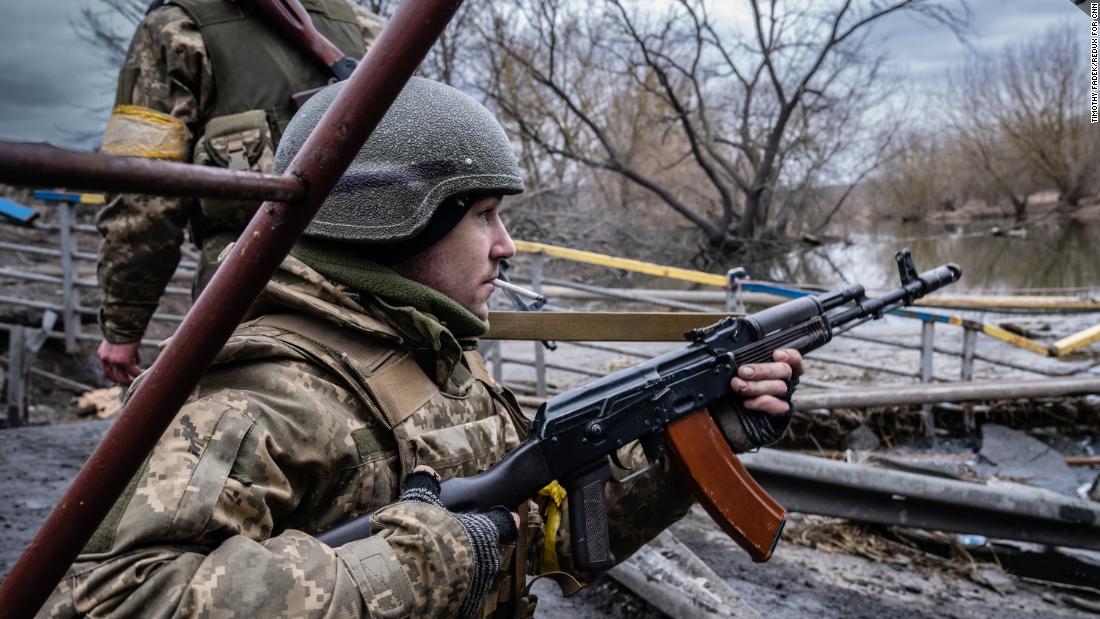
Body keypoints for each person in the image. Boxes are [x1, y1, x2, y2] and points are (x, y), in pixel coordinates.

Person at [41, 77, 803, 618]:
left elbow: (539, 532)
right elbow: (117, 595)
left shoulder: (437, 355)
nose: (506, 246)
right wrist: (414, 565)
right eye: (484, 215)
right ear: (397, 215)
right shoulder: (261, 393)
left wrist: (692, 451)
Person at [95, 0, 384, 385]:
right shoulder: (370, 28)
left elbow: (142, 191)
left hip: (245, 299)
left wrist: (123, 323)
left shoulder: (175, 27)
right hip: (376, 295)